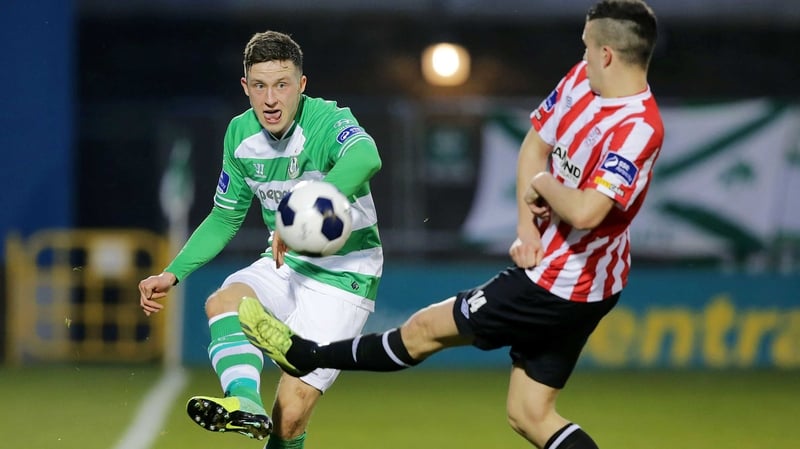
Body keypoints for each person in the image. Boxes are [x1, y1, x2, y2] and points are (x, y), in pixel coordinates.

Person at [236, 1, 662, 448]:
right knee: (530, 414)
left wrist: (542, 185)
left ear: (607, 55)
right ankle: (308, 355)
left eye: (588, 47)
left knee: (422, 332)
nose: (583, 55)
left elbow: (586, 211)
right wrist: (528, 230)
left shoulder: (638, 128)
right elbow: (535, 145)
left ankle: (307, 354)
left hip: (560, 284)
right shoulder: (580, 81)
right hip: (580, 279)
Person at [138, 30, 384, 449]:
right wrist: (172, 273)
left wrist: (306, 207)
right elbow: (224, 217)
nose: (271, 99)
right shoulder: (239, 135)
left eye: (282, 85)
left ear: (301, 84)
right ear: (245, 87)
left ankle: (270, 417)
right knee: (223, 302)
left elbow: (366, 157)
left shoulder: (327, 120)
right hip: (286, 262)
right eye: (260, 86)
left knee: (289, 415)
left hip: (346, 273)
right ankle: (245, 403)